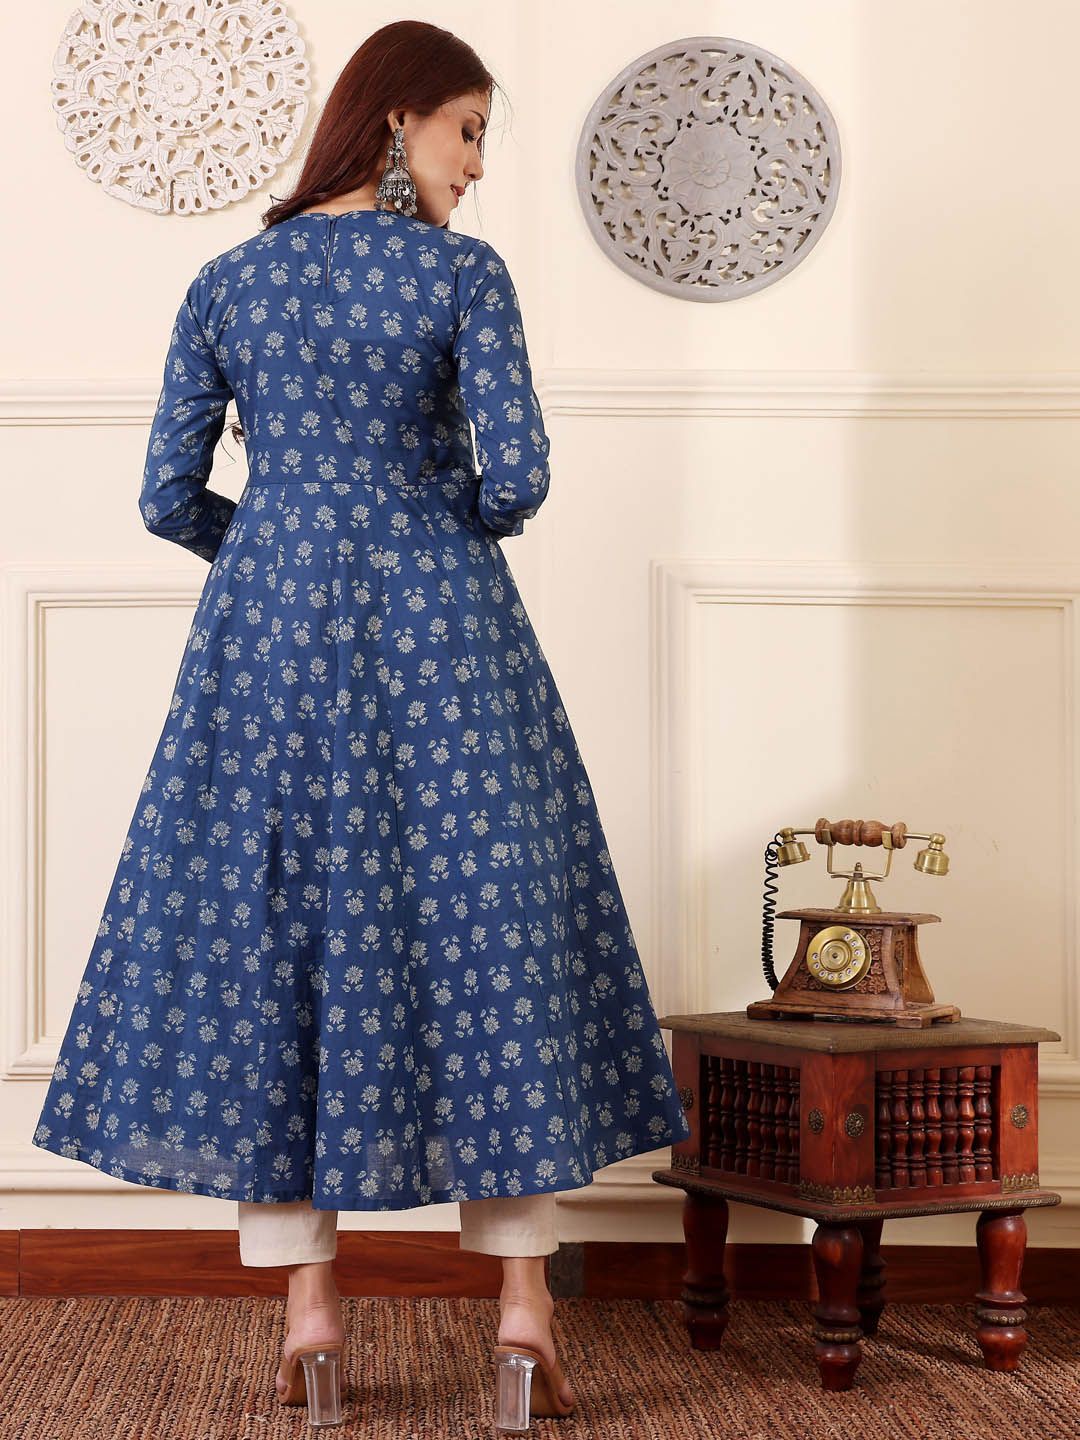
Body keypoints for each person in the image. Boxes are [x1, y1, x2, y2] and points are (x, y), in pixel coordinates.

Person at [31, 18, 691, 1430]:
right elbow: (517, 480)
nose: (476, 168)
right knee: (490, 934)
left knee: (275, 940)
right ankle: (522, 1318)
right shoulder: (460, 278)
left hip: (268, 638)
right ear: (398, 120)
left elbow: (165, 495)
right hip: (445, 630)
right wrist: (419, 518)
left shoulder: (229, 281)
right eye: (469, 132)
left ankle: (312, 1319)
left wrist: (277, 547)